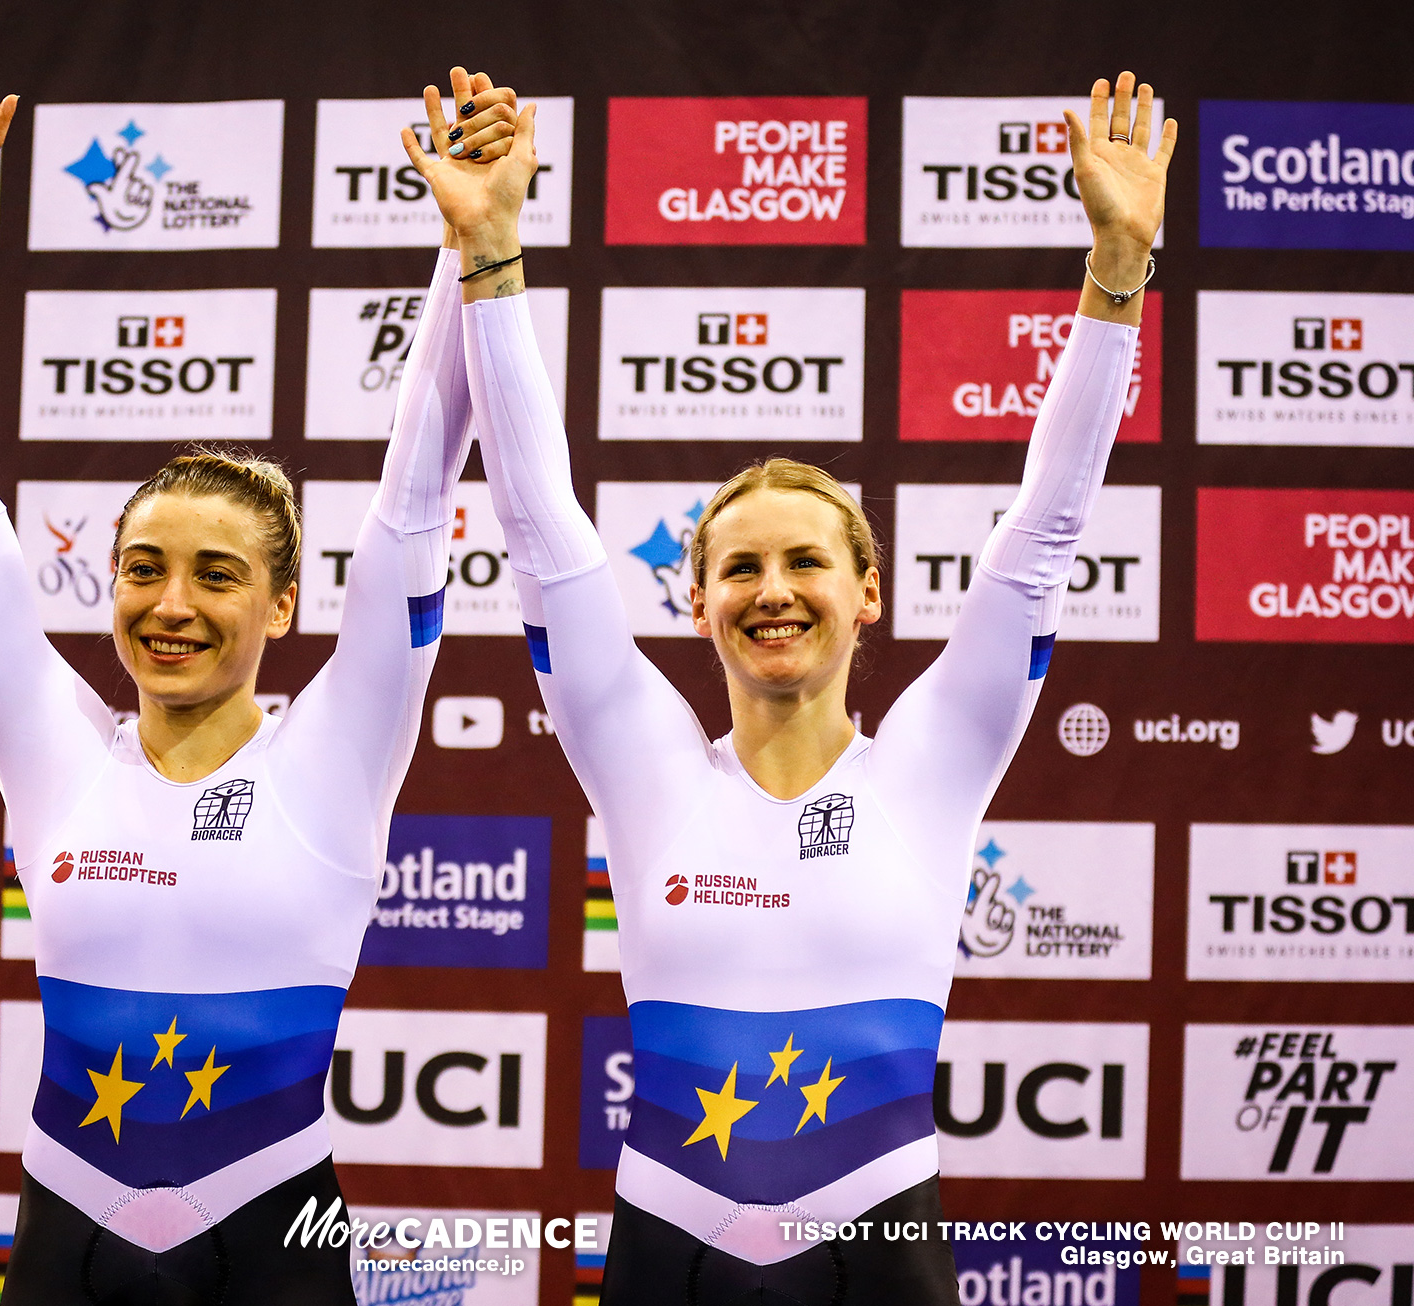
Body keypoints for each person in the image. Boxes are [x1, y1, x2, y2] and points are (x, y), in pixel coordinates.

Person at [407, 73, 1173, 1304]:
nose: (773, 590)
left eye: (806, 559)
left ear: (866, 594)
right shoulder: (644, 763)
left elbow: (1044, 529)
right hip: (671, 1256)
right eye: (739, 566)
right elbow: (539, 520)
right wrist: (491, 251)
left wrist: (1116, 269)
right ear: (695, 599)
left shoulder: (934, 756)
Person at [0, 79, 515, 1304]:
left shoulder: (331, 752)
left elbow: (418, 491)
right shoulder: (56, 751)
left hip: (276, 1241)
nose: (170, 605)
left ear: (281, 606)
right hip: (69, 1237)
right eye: (142, 570)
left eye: (216, 576)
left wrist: (469, 248)